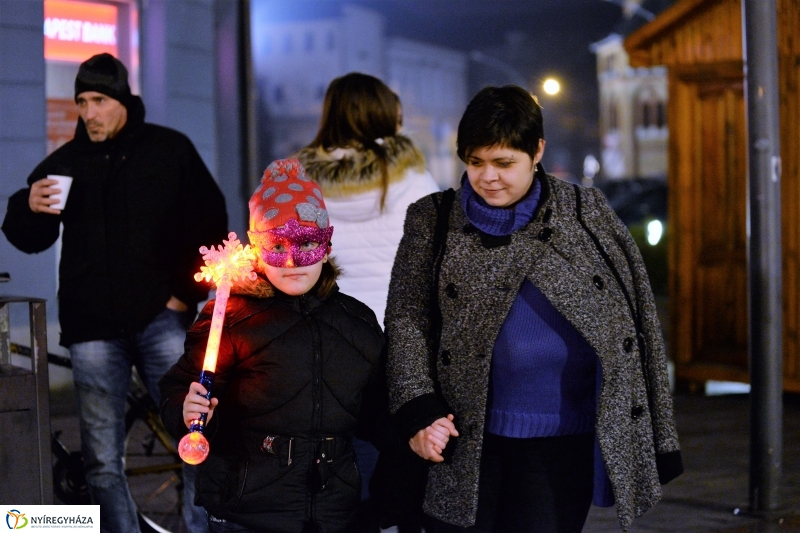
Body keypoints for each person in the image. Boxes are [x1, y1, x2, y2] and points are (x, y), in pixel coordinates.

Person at [382, 85, 683, 533]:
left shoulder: (583, 214)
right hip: (463, 435)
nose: (488, 177)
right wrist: (418, 411)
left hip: (562, 442)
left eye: (505, 163)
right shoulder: (434, 219)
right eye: (476, 162)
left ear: (537, 151)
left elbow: (634, 319)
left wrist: (654, 427)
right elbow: (406, 319)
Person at [1, 53, 228, 532]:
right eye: (82, 101)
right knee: (102, 461)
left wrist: (185, 296)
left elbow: (210, 218)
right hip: (91, 330)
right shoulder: (66, 162)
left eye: (99, 100)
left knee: (195, 439)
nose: (89, 112)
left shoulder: (169, 150)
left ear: (122, 99)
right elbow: (29, 236)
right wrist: (26, 206)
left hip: (161, 318)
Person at [158, 158, 386, 533]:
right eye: (277, 245)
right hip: (246, 510)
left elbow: (378, 408)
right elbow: (182, 384)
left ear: (326, 245)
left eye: (307, 242)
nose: (293, 260)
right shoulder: (230, 317)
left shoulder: (356, 322)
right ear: (256, 249)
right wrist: (185, 410)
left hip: (333, 512)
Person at [293, 72, 439, 532]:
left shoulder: (300, 180)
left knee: (341, 448)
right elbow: (438, 252)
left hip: (329, 335)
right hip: (399, 338)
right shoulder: (412, 175)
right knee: (399, 450)